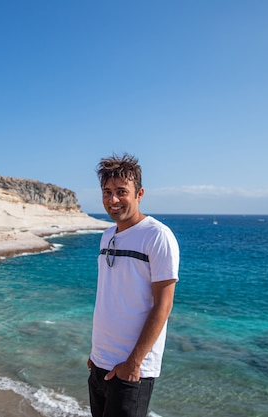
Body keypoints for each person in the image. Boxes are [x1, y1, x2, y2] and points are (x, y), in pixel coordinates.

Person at [88, 153, 180, 417]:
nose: (113, 200)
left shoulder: (157, 236)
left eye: (121, 192)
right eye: (107, 192)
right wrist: (96, 353)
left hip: (131, 369)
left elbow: (164, 305)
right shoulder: (107, 236)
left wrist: (134, 362)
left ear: (139, 193)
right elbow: (110, 296)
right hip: (100, 364)